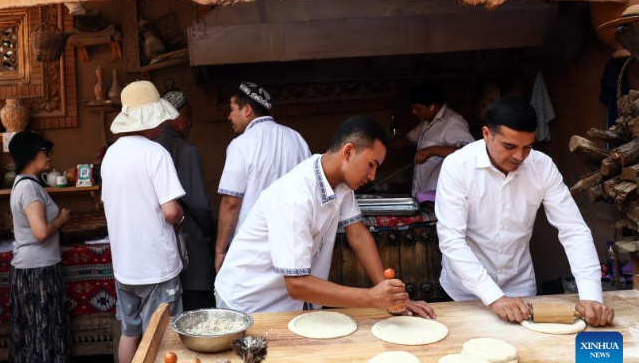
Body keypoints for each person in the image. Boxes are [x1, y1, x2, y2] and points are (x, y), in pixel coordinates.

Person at [215, 116, 434, 318]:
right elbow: (297, 285)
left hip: (285, 304)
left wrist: (389, 297)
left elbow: (358, 235)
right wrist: (370, 298)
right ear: (348, 152)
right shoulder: (295, 196)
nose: (372, 176)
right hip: (246, 305)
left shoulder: (341, 185)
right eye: (371, 164)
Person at [435, 97, 614, 326]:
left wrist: (591, 297)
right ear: (486, 134)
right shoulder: (457, 166)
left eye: (528, 147)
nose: (519, 156)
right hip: (462, 294)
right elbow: (452, 241)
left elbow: (573, 231)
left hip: (521, 291)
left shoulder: (542, 166)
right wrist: (495, 297)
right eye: (509, 146)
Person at [101, 81, 186, 363]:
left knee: (130, 332)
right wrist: (182, 219)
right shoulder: (155, 153)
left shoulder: (111, 155)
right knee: (164, 339)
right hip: (156, 265)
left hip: (125, 265)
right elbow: (171, 211)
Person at [215, 81, 311, 273]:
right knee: (287, 299)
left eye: (232, 109)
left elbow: (231, 203)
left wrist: (219, 250)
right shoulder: (297, 139)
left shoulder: (240, 145)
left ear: (247, 110)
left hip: (251, 248)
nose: (229, 116)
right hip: (291, 242)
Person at [8, 131, 72, 363]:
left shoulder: (21, 184)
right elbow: (41, 232)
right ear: (31, 154)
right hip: (38, 272)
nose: (49, 156)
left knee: (26, 334)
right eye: (45, 151)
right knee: (42, 334)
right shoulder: (30, 188)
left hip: (27, 269)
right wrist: (62, 219)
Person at [156, 90, 216, 311]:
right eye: (189, 118)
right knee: (197, 316)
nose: (191, 125)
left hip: (161, 249)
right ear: (181, 119)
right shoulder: (187, 150)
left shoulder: (150, 148)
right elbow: (199, 203)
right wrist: (212, 230)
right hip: (191, 246)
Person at [389, 81, 474, 197]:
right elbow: (406, 141)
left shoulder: (452, 123)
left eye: (417, 108)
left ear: (432, 107)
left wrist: (432, 150)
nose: (413, 112)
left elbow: (470, 153)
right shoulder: (427, 122)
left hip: (441, 197)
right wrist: (378, 145)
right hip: (424, 196)